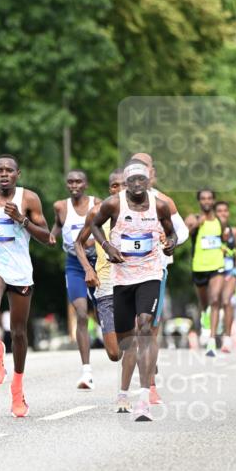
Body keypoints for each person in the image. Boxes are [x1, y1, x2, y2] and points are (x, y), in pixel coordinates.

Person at [90, 159, 177, 421]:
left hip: (150, 275)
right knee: (127, 342)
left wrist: (170, 244)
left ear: (149, 181)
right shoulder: (113, 204)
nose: (137, 184)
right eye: (132, 180)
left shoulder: (159, 206)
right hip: (122, 278)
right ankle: (123, 393)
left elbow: (172, 234)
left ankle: (144, 398)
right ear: (126, 183)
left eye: (142, 179)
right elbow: (95, 225)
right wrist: (108, 247)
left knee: (145, 326)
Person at [0, 153, 50, 418]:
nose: (4, 174)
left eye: (9, 170)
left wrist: (21, 219)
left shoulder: (29, 199)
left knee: (19, 333)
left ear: (18, 174)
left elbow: (48, 237)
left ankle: (17, 388)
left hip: (20, 269)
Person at [131, 151, 189, 402]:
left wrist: (170, 241)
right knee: (134, 328)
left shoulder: (163, 201)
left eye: (145, 168)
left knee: (149, 326)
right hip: (126, 270)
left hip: (155, 270)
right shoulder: (121, 201)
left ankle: (150, 384)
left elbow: (182, 232)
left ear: (152, 173)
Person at [49, 169, 100, 390]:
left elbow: (106, 229)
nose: (74, 185)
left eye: (78, 181)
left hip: (98, 263)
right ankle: (86, 371)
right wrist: (52, 235)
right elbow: (59, 225)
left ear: (86, 184)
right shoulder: (61, 207)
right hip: (74, 265)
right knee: (80, 313)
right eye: (70, 182)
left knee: (103, 314)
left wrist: (93, 242)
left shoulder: (97, 205)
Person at [76, 170, 125, 368]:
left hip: (134, 283)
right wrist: (88, 269)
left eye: (125, 184)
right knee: (114, 353)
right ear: (110, 188)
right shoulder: (97, 212)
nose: (120, 189)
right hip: (106, 285)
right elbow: (78, 243)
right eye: (115, 185)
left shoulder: (143, 211)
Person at [185, 189, 225, 357]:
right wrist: (196, 225)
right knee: (205, 303)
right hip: (199, 267)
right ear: (199, 201)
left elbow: (224, 240)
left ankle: (212, 340)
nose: (207, 201)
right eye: (203, 198)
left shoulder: (220, 221)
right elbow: (183, 236)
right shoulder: (192, 218)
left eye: (209, 198)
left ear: (214, 200)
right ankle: (204, 316)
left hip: (217, 266)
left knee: (215, 300)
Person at [215, 201, 236, 352]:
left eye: (225, 210)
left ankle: (227, 338)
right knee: (214, 303)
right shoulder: (209, 230)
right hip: (214, 271)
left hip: (230, 271)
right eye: (219, 211)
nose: (223, 213)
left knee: (226, 301)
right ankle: (212, 335)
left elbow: (235, 250)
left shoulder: (233, 231)